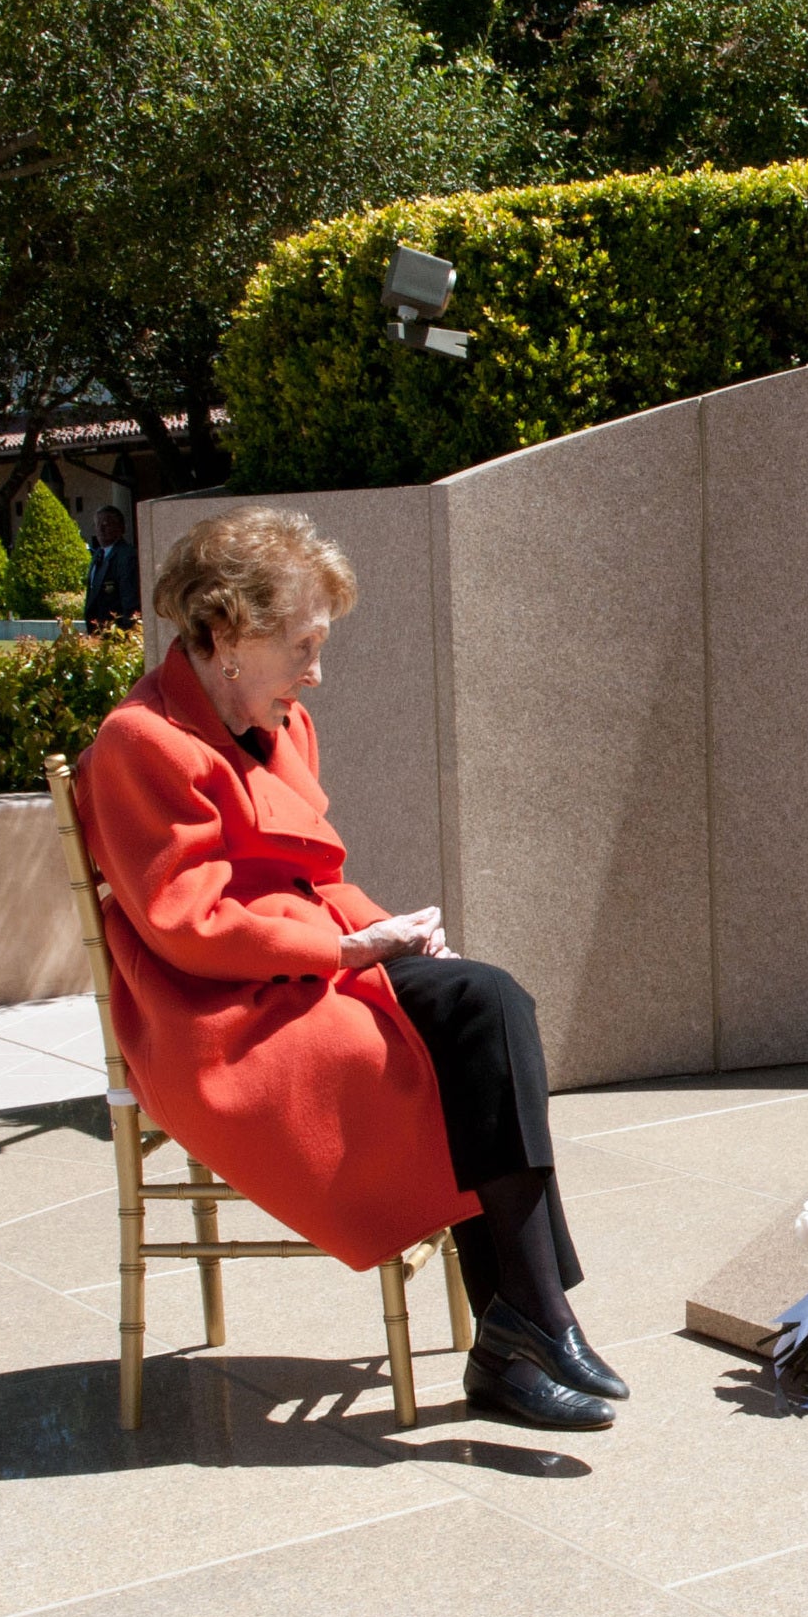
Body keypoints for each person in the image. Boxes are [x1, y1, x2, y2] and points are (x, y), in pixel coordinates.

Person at [76, 505, 625, 1429]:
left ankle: (525, 1324)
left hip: (290, 975)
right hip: (212, 1016)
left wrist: (394, 933)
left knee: (484, 1000)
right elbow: (186, 924)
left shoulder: (273, 722)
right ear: (223, 636)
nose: (315, 675)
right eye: (301, 646)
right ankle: (526, 1327)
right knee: (463, 1027)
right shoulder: (141, 740)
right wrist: (342, 949)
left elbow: (313, 876)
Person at [84, 509, 141, 628]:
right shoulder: (98, 554)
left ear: (121, 527)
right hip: (98, 633)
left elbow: (130, 600)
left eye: (106, 524)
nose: (101, 529)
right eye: (97, 524)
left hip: (116, 633)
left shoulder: (127, 556)